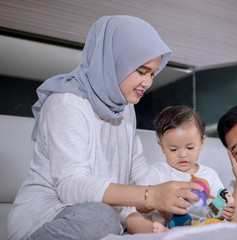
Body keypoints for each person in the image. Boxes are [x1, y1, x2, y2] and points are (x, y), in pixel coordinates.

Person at [7, 16, 203, 240]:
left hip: (105, 213)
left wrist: (164, 204)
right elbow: (71, 186)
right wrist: (151, 195)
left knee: (167, 222)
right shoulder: (66, 103)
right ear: (113, 61)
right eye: (141, 71)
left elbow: (137, 170)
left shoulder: (124, 107)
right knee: (101, 218)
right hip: (48, 218)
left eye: (152, 73)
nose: (148, 83)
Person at [125, 106, 235, 234]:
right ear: (162, 146)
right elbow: (140, 206)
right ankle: (160, 233)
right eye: (173, 149)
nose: (182, 154)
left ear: (202, 142)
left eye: (189, 148)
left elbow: (216, 212)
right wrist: (154, 201)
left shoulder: (209, 175)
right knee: (131, 218)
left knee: (222, 224)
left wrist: (225, 212)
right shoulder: (158, 172)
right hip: (164, 225)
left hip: (199, 227)